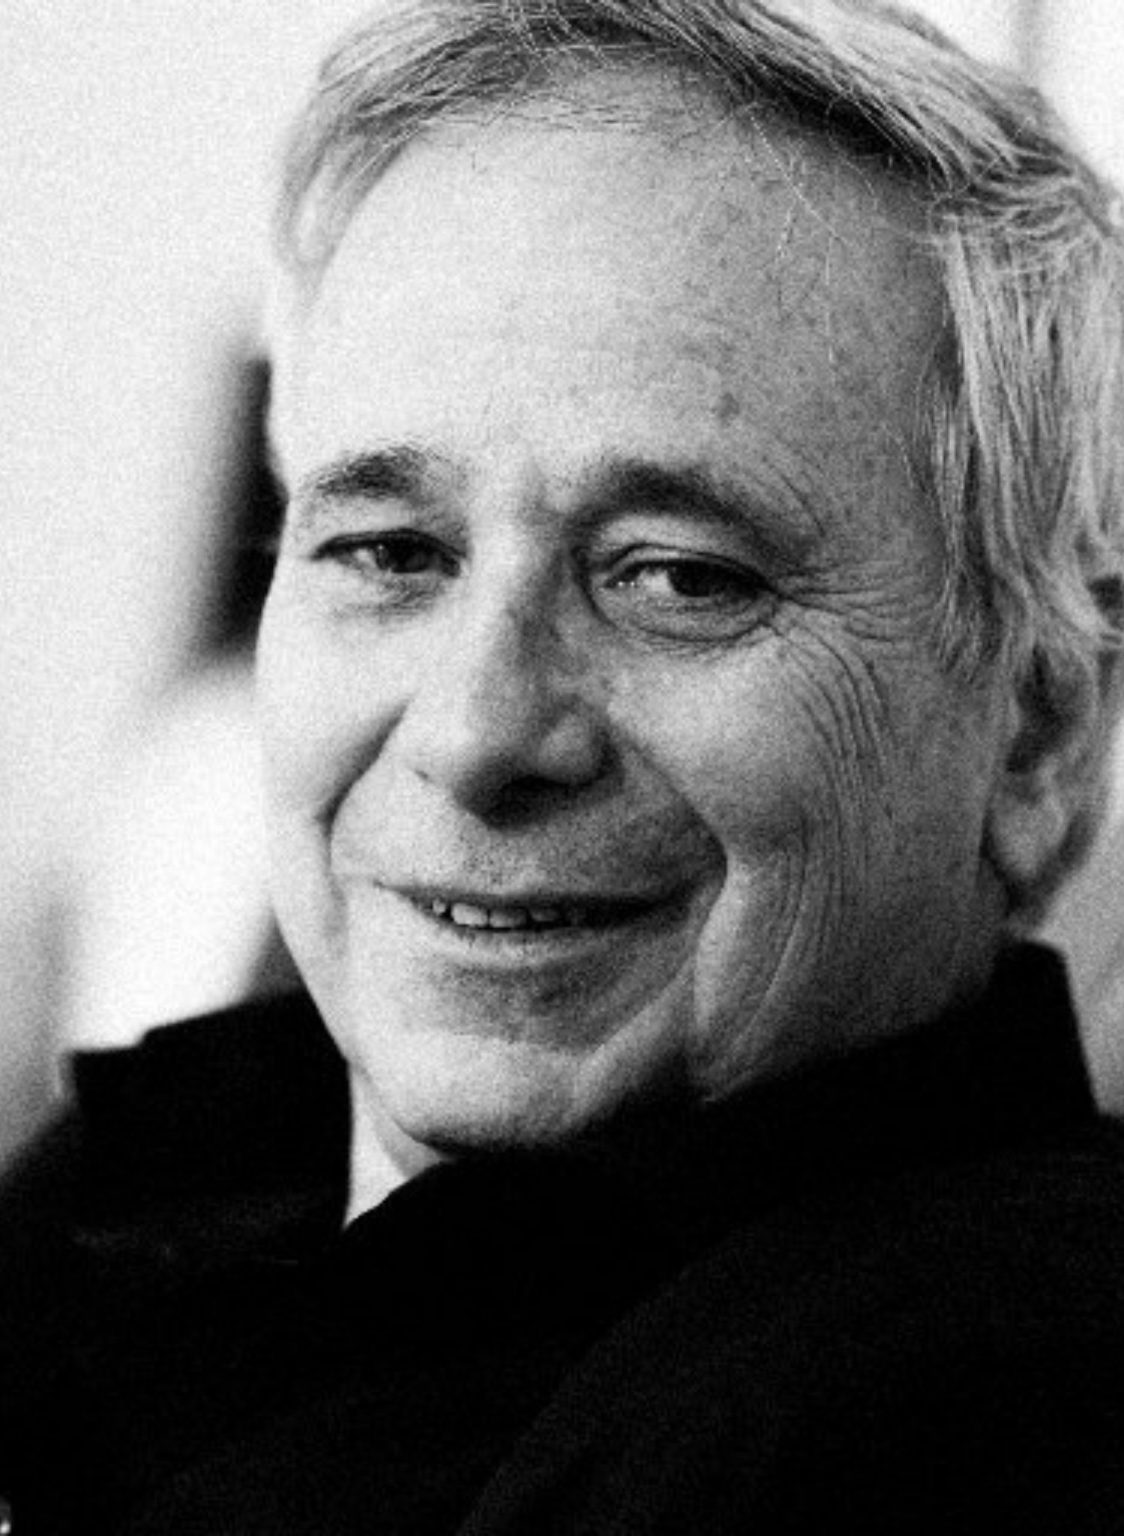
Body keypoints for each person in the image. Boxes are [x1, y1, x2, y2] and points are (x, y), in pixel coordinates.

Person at [5, 0, 1124, 1530]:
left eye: (677, 577)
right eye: (390, 551)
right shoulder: (185, 1158)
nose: (476, 734)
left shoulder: (947, 1415)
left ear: (1041, 729)